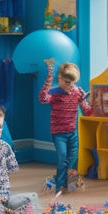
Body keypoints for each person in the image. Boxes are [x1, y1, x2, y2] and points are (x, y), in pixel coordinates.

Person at [38, 59, 92, 195]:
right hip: (58, 133)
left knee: (71, 160)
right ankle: (60, 186)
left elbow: (86, 108)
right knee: (63, 158)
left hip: (72, 132)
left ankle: (64, 182)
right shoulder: (55, 93)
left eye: (72, 82)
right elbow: (43, 98)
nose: (70, 85)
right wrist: (49, 75)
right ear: (60, 79)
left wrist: (97, 103)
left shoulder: (77, 91)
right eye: (67, 82)